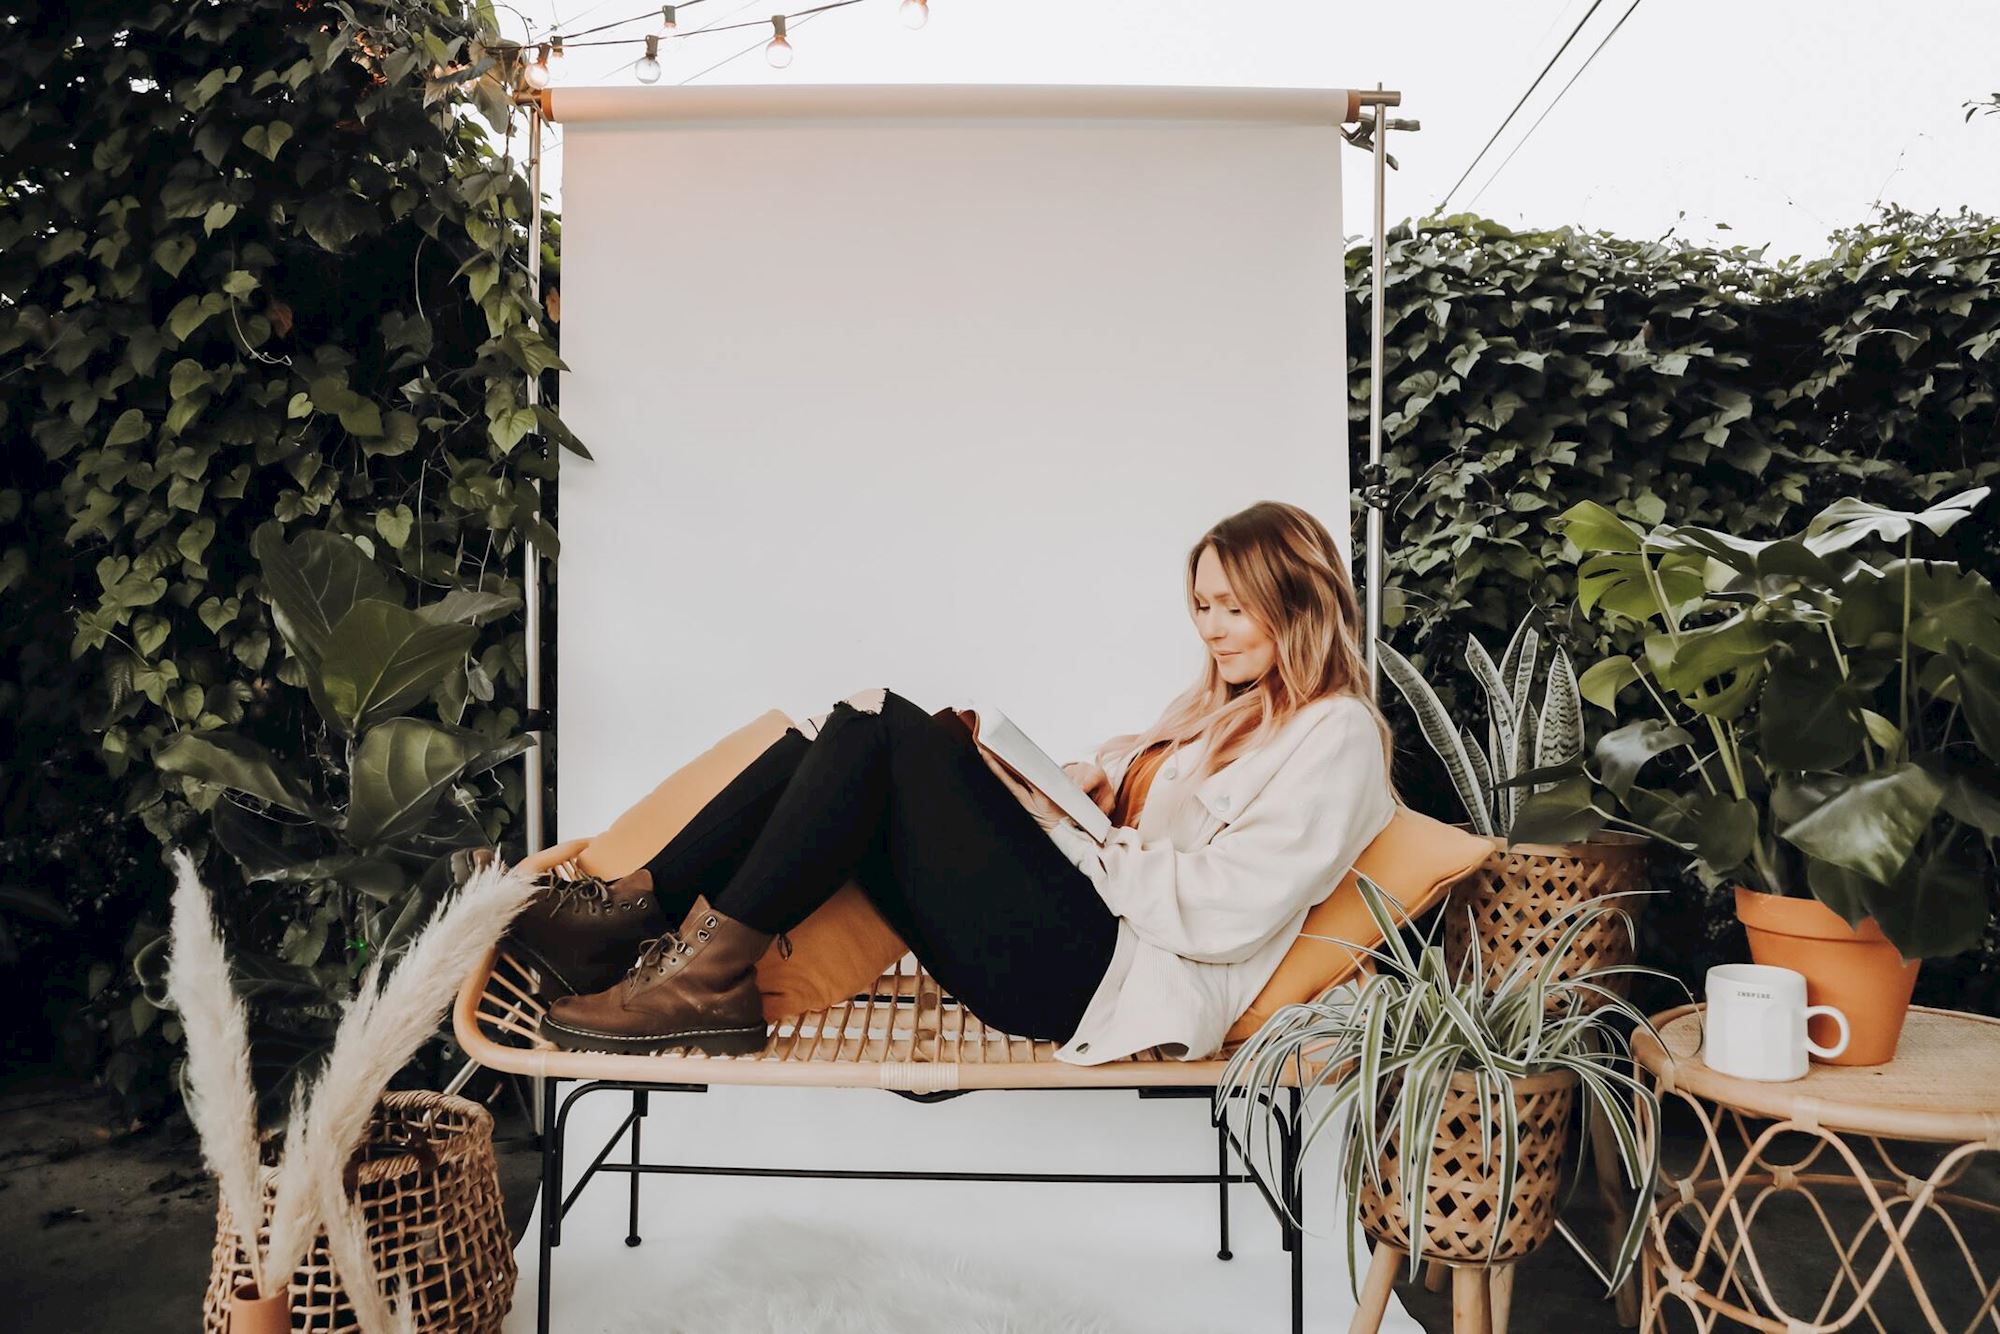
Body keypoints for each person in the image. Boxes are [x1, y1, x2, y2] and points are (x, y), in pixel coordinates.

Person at [510, 500, 1397, 1066]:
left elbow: (1223, 910)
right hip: (1070, 939)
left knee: (880, 727)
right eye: (1202, 606)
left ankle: (686, 966)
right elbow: (1143, 828)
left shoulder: (1337, 736)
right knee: (843, 733)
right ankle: (631, 916)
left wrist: (1074, 839)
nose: (1211, 628)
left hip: (1102, 979)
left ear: (1300, 599)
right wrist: (1081, 788)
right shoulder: (1216, 710)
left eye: (1234, 607)